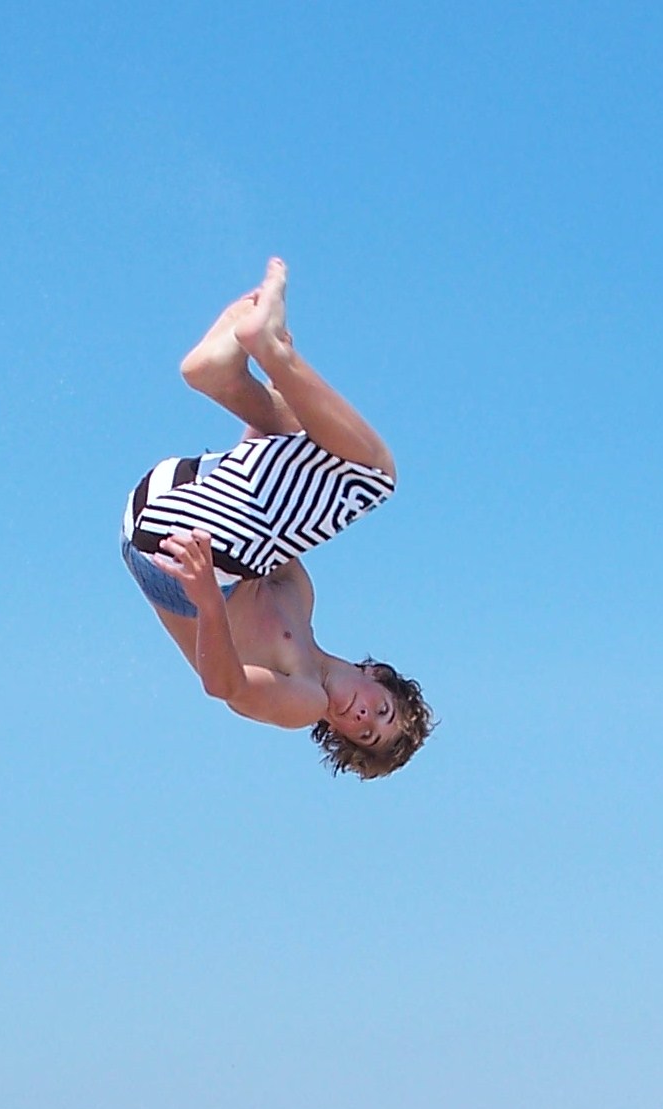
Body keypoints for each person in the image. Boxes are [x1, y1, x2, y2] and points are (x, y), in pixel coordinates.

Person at [124, 260, 433, 779]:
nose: (363, 718)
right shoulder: (301, 594)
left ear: (339, 734)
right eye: (380, 711)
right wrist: (276, 399)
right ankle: (224, 373)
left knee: (374, 476)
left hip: (173, 553)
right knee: (324, 451)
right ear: (377, 675)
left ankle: (270, 354)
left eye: (364, 732)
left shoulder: (304, 699)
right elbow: (269, 486)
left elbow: (227, 688)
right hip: (181, 489)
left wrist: (204, 597)